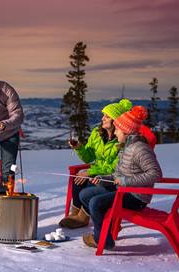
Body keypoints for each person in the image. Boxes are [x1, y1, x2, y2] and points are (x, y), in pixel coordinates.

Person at [79, 106, 162, 249]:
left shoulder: (140, 149)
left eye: (117, 129)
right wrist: (103, 178)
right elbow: (118, 174)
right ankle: (107, 232)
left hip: (137, 197)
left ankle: (102, 240)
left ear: (126, 132)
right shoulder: (124, 147)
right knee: (85, 194)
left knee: (96, 203)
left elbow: (156, 174)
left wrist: (125, 181)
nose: (115, 132)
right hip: (123, 190)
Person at [59, 99, 132, 229]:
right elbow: (89, 158)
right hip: (98, 171)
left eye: (107, 116)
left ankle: (83, 217)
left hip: (113, 177)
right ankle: (74, 214)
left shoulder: (122, 139)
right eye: (103, 115)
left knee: (88, 180)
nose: (103, 118)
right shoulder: (97, 133)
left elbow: (116, 167)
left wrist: (91, 172)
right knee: (78, 178)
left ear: (116, 121)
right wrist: (79, 148)